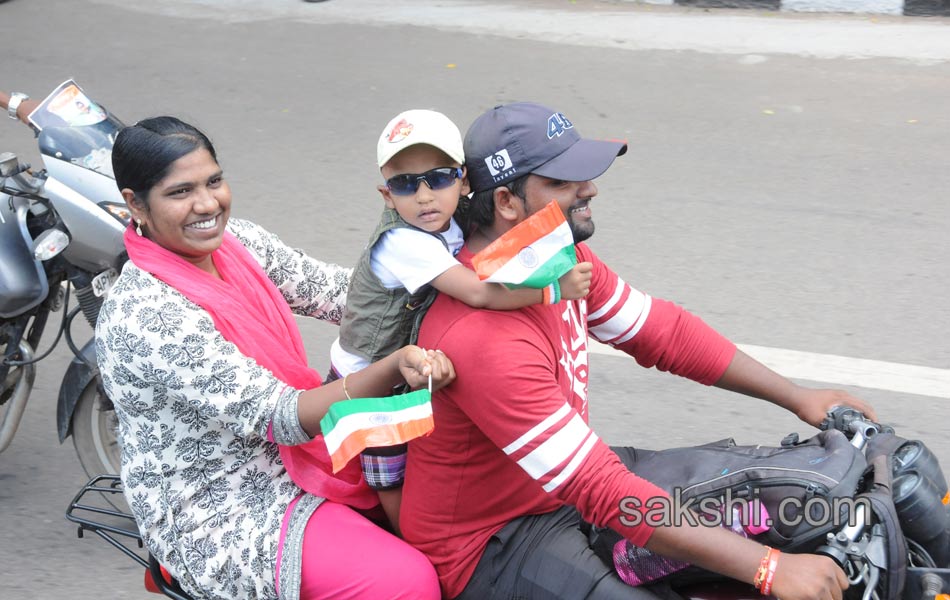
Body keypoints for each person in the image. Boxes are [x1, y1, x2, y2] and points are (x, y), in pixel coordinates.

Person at [400, 102, 879, 600]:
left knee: (787, 504)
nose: (590, 189)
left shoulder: (560, 262)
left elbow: (664, 333)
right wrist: (768, 569)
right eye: (564, 181)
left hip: (567, 488)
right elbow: (601, 490)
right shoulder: (480, 335)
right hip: (494, 547)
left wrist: (799, 398)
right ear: (506, 202)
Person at [95, 116, 454, 600]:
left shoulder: (238, 243)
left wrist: (447, 291)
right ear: (135, 203)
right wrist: (390, 366)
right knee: (407, 582)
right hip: (221, 506)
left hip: (298, 454)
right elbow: (280, 416)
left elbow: (341, 294)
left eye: (214, 182)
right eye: (180, 192)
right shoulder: (145, 314)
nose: (207, 204)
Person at [329, 108, 591, 529]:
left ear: (464, 181)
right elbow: (476, 292)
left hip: (408, 360)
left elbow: (509, 234)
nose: (425, 196)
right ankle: (410, 548)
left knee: (420, 454)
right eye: (405, 184)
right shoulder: (403, 240)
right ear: (386, 195)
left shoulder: (454, 217)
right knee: (390, 474)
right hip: (370, 378)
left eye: (438, 178)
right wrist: (554, 289)